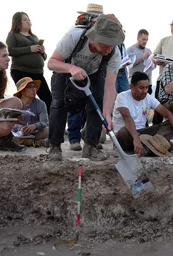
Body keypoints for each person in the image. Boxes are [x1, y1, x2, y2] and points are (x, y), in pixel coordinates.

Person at [47, 14, 124, 161]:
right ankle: (54, 146)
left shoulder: (114, 53)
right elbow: (51, 63)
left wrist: (107, 114)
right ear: (94, 37)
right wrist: (71, 68)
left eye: (111, 44)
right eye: (104, 44)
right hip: (65, 70)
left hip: (93, 73)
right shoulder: (74, 36)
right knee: (58, 104)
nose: (108, 50)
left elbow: (110, 85)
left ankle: (91, 146)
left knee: (98, 103)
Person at [113, 72, 173, 155]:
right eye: (141, 88)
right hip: (127, 135)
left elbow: (169, 114)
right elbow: (127, 118)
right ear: (132, 87)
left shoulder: (149, 98)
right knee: (123, 131)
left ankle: (152, 146)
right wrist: (136, 138)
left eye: (146, 87)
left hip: (142, 135)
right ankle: (153, 148)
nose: (144, 91)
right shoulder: (122, 97)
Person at [67, 3, 104, 152]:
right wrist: (71, 69)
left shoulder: (103, 37)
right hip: (73, 73)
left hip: (93, 73)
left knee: (93, 105)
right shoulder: (76, 33)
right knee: (74, 104)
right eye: (95, 18)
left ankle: (89, 138)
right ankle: (74, 138)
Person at [6, 12, 51, 115]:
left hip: (38, 72)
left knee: (48, 99)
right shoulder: (13, 35)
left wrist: (42, 52)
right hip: (21, 71)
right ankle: (21, 123)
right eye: (24, 19)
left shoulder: (34, 37)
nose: (28, 21)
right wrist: (29, 49)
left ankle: (49, 125)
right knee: (26, 99)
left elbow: (43, 58)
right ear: (17, 22)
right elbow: (11, 51)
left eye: (28, 19)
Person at [12, 77, 49, 147]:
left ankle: (28, 142)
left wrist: (35, 126)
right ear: (22, 91)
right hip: (19, 134)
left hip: (35, 132)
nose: (34, 89)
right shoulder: (14, 104)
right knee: (9, 136)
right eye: (29, 87)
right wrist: (20, 128)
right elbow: (9, 123)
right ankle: (37, 142)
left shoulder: (41, 104)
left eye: (34, 86)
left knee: (50, 131)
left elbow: (44, 122)